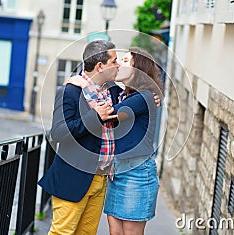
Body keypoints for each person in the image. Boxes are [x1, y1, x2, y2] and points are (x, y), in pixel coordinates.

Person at [70, 47, 164, 235]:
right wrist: (83, 79)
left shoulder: (144, 96)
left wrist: (84, 85)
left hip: (137, 173)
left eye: (126, 61)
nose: (120, 64)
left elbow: (109, 114)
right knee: (115, 232)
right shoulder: (123, 94)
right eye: (119, 60)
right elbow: (100, 79)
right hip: (116, 171)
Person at [38, 39, 121, 235]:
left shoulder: (112, 91)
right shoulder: (70, 92)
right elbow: (58, 133)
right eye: (114, 61)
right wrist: (95, 118)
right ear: (100, 66)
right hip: (74, 177)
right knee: (63, 232)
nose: (118, 65)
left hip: (101, 178)